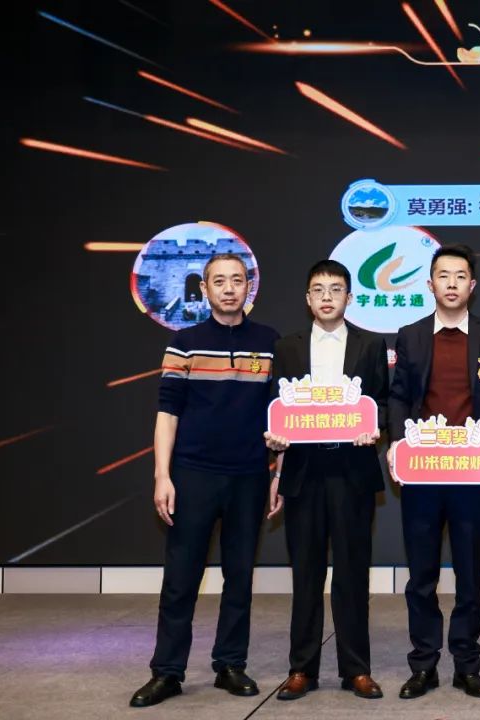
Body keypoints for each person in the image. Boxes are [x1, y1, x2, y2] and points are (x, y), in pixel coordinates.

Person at [130, 253, 279, 707]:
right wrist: (162, 475)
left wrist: (277, 473)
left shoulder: (270, 342)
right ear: (205, 288)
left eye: (237, 280)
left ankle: (230, 664)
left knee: (240, 575)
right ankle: (167, 671)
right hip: (193, 474)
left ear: (249, 287)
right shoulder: (185, 342)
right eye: (219, 281)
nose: (229, 288)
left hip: (250, 476)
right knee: (181, 578)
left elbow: (282, 416)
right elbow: (167, 413)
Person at [387, 244, 480, 699]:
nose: (451, 283)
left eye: (460, 276)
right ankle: (424, 665)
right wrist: (397, 442)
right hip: (423, 473)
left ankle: (467, 664)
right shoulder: (410, 336)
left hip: (472, 475)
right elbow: (397, 397)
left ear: (472, 285)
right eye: (443, 275)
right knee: (421, 576)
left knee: (470, 575)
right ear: (430, 284)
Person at [263, 260, 390, 701]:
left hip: (352, 469)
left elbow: (383, 401)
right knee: (306, 573)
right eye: (318, 289)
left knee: (353, 574)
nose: (327, 297)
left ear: (349, 297)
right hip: (304, 470)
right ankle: (302, 668)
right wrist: (276, 445)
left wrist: (376, 428)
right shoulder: (287, 348)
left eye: (336, 289)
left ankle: (357, 669)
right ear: (308, 299)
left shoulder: (371, 344)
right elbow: (276, 406)